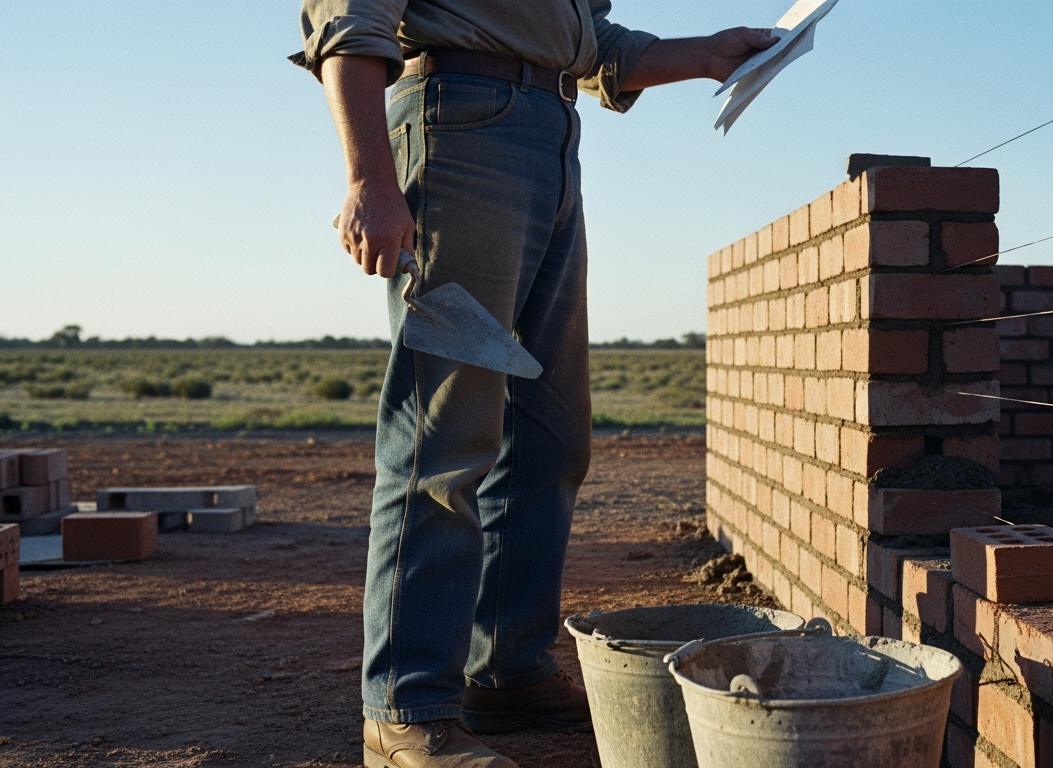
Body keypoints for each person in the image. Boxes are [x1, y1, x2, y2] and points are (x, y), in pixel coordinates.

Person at [292, 3, 776, 766]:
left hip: (552, 138)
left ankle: (506, 671)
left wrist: (708, 53)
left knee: (549, 440)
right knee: (444, 442)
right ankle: (404, 709)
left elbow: (586, 45)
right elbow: (351, 18)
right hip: (460, 131)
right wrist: (369, 179)